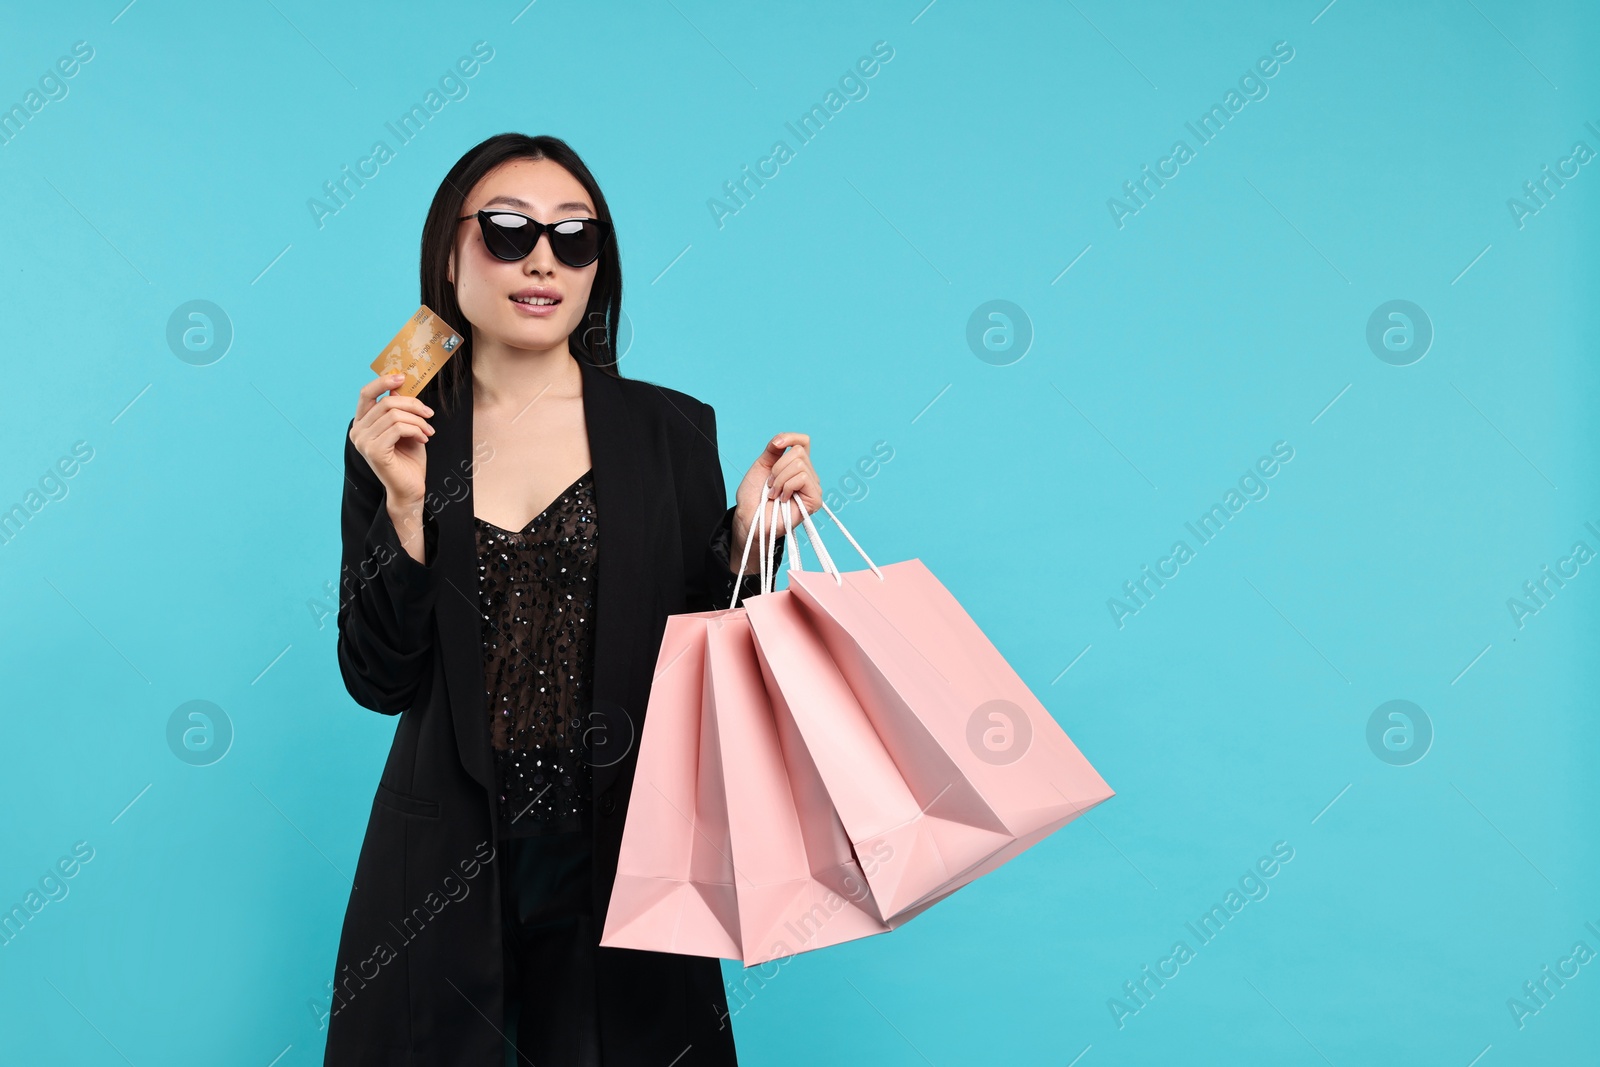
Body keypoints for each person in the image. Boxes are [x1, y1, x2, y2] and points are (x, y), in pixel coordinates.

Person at [325, 132, 821, 1066]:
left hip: (624, 855)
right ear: (451, 252)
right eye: (507, 231)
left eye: (574, 236)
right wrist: (401, 504)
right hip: (444, 860)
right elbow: (377, 675)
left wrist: (750, 536)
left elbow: (698, 654)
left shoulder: (669, 430)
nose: (542, 257)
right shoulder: (397, 429)